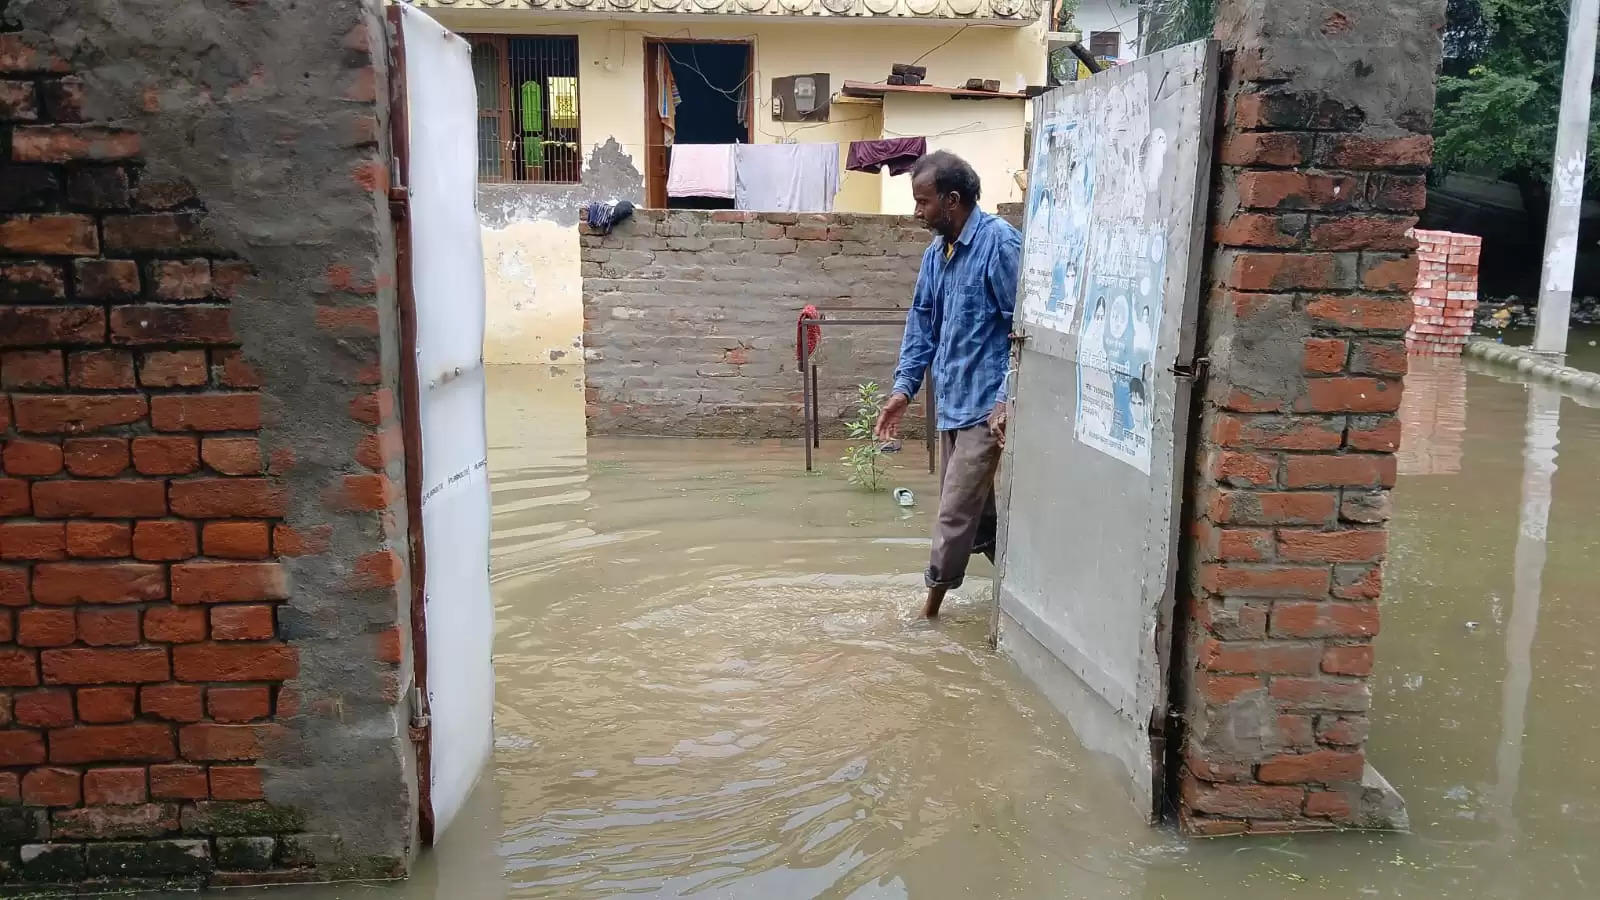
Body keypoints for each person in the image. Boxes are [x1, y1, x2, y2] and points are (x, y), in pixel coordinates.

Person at [874, 151, 1021, 619]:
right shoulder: (937, 255)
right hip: (952, 404)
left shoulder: (999, 244)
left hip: (986, 408)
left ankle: (928, 613)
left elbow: (1024, 328)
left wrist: (1005, 399)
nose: (917, 212)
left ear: (952, 200)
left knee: (953, 514)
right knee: (979, 522)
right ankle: (1028, 591)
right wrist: (904, 390)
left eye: (923, 202)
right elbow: (921, 328)